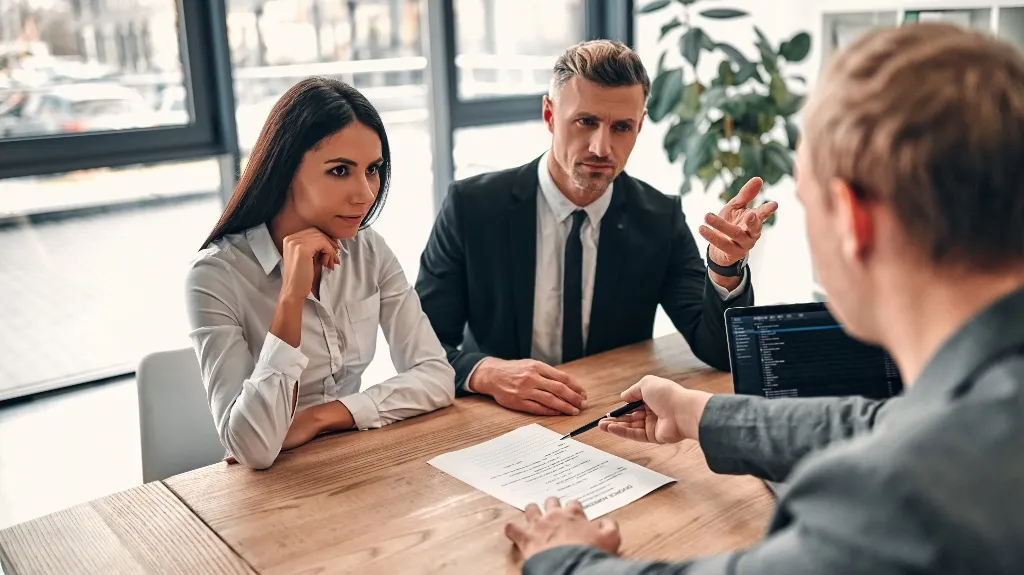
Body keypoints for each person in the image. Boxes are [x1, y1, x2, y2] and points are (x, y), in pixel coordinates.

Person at [503, 22, 1024, 574]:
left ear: (851, 220)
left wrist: (562, 558)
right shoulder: (986, 392)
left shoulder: (893, 494)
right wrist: (700, 413)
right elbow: (881, 421)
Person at [415, 40, 775, 417]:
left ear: (640, 126)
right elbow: (422, 347)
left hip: (606, 417)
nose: (602, 147)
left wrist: (723, 267)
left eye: (622, 127)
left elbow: (718, 352)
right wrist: (486, 373)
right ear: (550, 115)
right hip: (496, 417)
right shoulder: (471, 207)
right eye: (586, 122)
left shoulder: (658, 217)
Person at [186, 77, 454, 470]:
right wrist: (291, 298)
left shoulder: (368, 248)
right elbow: (255, 448)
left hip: (348, 461)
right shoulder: (214, 276)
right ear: (286, 168)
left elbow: (436, 377)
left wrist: (320, 418)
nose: (365, 193)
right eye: (341, 170)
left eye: (373, 170)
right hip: (266, 493)